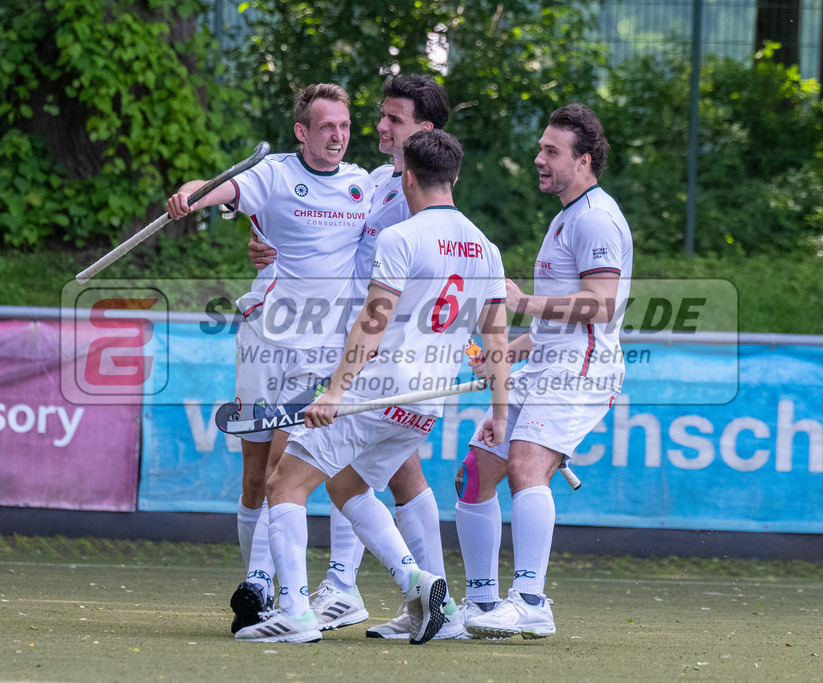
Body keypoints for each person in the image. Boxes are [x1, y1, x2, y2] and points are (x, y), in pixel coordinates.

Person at [234, 129, 510, 644]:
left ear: (408, 177)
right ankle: (430, 595)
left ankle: (294, 613)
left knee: (284, 485)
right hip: (427, 401)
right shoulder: (485, 247)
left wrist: (335, 391)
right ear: (454, 177)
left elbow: (373, 320)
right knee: (346, 484)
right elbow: (494, 336)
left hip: (378, 389)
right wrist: (499, 410)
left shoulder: (401, 237)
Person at [165, 83, 370, 634]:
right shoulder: (275, 174)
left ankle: (278, 592)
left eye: (345, 127)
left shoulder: (362, 185)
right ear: (302, 131)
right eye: (327, 126)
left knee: (285, 463)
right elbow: (220, 188)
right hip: (264, 336)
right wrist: (190, 197)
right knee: (254, 470)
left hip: (321, 346)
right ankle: (257, 583)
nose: (339, 136)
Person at [457, 103, 633, 640]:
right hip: (551, 360)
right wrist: (514, 348)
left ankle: (531, 600)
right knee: (476, 472)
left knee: (526, 464)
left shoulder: (596, 218)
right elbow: (565, 315)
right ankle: (483, 605)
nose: (538, 158)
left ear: (583, 161)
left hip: (584, 369)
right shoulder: (566, 215)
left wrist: (523, 302)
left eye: (551, 152)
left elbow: (601, 306)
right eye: (540, 148)